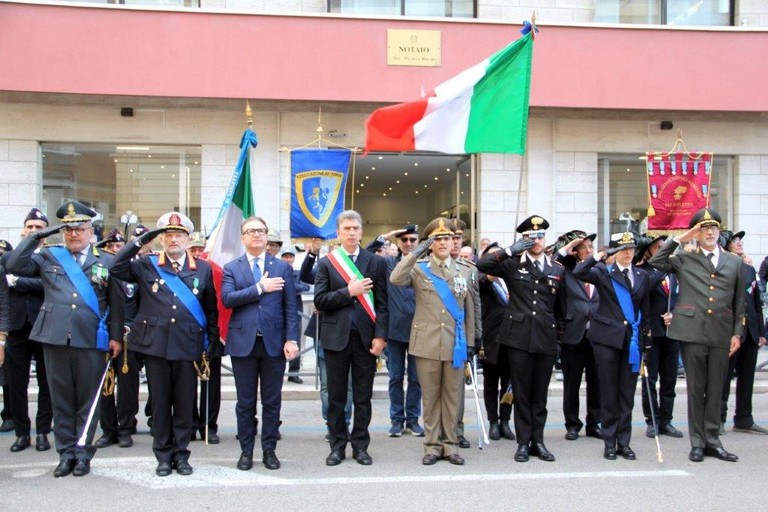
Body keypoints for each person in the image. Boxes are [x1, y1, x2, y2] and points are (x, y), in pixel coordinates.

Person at [6, 201, 124, 477]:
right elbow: (13, 264)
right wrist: (36, 237)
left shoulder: (106, 260)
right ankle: (65, 452)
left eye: (79, 229)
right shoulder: (49, 256)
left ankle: (82, 452)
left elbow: (116, 303)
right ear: (61, 232)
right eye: (68, 230)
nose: (74, 235)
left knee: (88, 399)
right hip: (55, 337)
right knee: (61, 399)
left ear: (90, 231)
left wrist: (116, 336)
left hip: (91, 338)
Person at [110, 212, 221, 476]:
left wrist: (211, 343)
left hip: (187, 345)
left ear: (187, 238)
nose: (173, 239)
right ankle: (162, 455)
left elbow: (210, 309)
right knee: (160, 404)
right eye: (168, 235)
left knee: (184, 404)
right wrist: (141, 241)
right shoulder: (146, 264)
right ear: (160, 239)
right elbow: (116, 267)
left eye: (179, 235)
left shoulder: (202, 268)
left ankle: (181, 454)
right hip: (155, 346)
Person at [648, 208, 745, 462]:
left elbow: (739, 302)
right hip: (692, 332)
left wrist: (737, 333)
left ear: (720, 231)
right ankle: (698, 443)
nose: (710, 232)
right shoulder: (685, 258)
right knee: (696, 388)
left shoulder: (734, 262)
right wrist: (681, 238)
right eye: (704, 228)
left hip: (721, 332)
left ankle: (713, 440)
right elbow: (655, 262)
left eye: (713, 228)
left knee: (716, 389)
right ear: (697, 233)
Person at [477, 215, 566, 463]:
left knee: (540, 395)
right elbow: (482, 265)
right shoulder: (513, 264)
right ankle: (523, 443)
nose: (535, 240)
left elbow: (561, 310)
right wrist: (509, 250)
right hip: (517, 339)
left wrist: (558, 342)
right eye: (529, 236)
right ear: (522, 239)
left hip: (545, 339)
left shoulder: (557, 269)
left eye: (539, 236)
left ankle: (539, 440)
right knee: (522, 394)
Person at [390, 217, 475, 465]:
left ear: (454, 241)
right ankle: (432, 445)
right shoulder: (419, 268)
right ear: (431, 243)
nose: (443, 243)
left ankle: (451, 445)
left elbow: (469, 311)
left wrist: (470, 343)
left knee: (452, 396)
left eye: (447, 238)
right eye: (437, 239)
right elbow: (396, 278)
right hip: (427, 342)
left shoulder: (466, 270)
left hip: (455, 344)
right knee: (430, 397)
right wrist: (418, 250)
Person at [221, 216, 299, 471]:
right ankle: (246, 451)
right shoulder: (232, 267)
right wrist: (259, 287)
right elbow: (228, 299)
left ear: (267, 237)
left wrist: (292, 339)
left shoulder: (282, 267)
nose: (256, 235)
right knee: (245, 402)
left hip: (274, 343)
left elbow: (290, 306)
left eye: (261, 231)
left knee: (272, 401)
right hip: (243, 343)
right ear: (242, 237)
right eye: (250, 231)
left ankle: (269, 450)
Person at [314, 210, 388, 466]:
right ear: (338, 233)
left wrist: (380, 337)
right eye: (346, 228)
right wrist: (349, 291)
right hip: (336, 338)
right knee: (336, 397)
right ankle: (337, 446)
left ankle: (360, 446)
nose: (352, 232)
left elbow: (383, 304)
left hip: (366, 340)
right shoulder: (327, 263)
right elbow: (320, 301)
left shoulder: (376, 262)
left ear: (361, 231)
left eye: (355, 228)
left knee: (362, 396)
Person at [573, 232, 653, 460]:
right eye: (623, 249)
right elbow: (579, 272)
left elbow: (644, 311)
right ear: (614, 252)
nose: (628, 253)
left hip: (632, 341)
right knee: (609, 392)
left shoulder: (641, 275)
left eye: (631, 249)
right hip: (607, 339)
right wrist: (598, 255)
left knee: (626, 394)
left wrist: (646, 342)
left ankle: (623, 442)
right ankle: (609, 442)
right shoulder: (603, 272)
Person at [1, 209, 53, 453]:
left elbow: (50, 287)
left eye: (39, 227)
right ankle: (22, 433)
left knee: (47, 383)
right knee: (15, 384)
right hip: (16, 327)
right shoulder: (7, 258)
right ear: (23, 230)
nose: (34, 231)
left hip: (45, 326)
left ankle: (43, 431)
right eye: (30, 227)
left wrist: (19, 282)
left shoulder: (52, 258)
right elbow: (3, 291)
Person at [367, 224, 424, 438]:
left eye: (412, 240)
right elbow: (367, 253)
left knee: (417, 379)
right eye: (404, 240)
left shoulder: (425, 264)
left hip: (420, 329)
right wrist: (384, 237)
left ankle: (413, 419)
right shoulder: (388, 263)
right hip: (394, 330)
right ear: (398, 243)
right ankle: (397, 420)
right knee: (396, 377)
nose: (408, 244)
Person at [633, 234, 684, 439]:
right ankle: (652, 420)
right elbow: (643, 293)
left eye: (665, 246)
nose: (664, 249)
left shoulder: (674, 272)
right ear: (649, 250)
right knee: (649, 379)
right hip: (651, 332)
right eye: (659, 247)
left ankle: (666, 420)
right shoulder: (643, 272)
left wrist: (676, 314)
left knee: (669, 379)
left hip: (672, 331)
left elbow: (683, 298)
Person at [553, 231, 603, 442]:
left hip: (597, 334)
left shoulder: (599, 271)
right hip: (573, 335)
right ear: (575, 250)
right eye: (584, 247)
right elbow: (555, 260)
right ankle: (572, 424)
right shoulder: (567, 270)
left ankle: (595, 422)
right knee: (571, 384)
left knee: (597, 382)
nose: (589, 250)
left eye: (591, 246)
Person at [718, 230, 767, 435]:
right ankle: (718, 418)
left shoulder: (749, 269)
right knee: (723, 377)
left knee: (747, 377)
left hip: (751, 331)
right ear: (725, 245)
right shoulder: (721, 268)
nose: (740, 244)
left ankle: (744, 419)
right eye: (735, 241)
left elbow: (756, 302)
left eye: (740, 241)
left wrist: (762, 332)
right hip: (730, 332)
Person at [477, 242, 514, 442]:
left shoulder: (510, 278)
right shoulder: (483, 278)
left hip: (512, 338)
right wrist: (493, 271)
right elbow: (483, 284)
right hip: (490, 340)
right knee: (491, 383)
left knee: (509, 383)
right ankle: (493, 421)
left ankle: (505, 421)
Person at [450, 218, 481, 450]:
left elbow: (474, 305)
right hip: (437, 335)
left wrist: (475, 337)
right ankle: (439, 430)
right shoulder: (428, 266)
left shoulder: (469, 269)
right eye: (451, 237)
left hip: (460, 337)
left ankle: (457, 430)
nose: (455, 242)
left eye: (459, 237)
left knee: (458, 390)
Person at [281, 249, 307, 384]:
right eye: (285, 256)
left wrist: (288, 286)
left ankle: (294, 373)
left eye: (290, 256)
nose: (288, 259)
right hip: (279, 311)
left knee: (295, 341)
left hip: (296, 311)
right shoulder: (277, 271)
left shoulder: (298, 272)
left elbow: (305, 287)